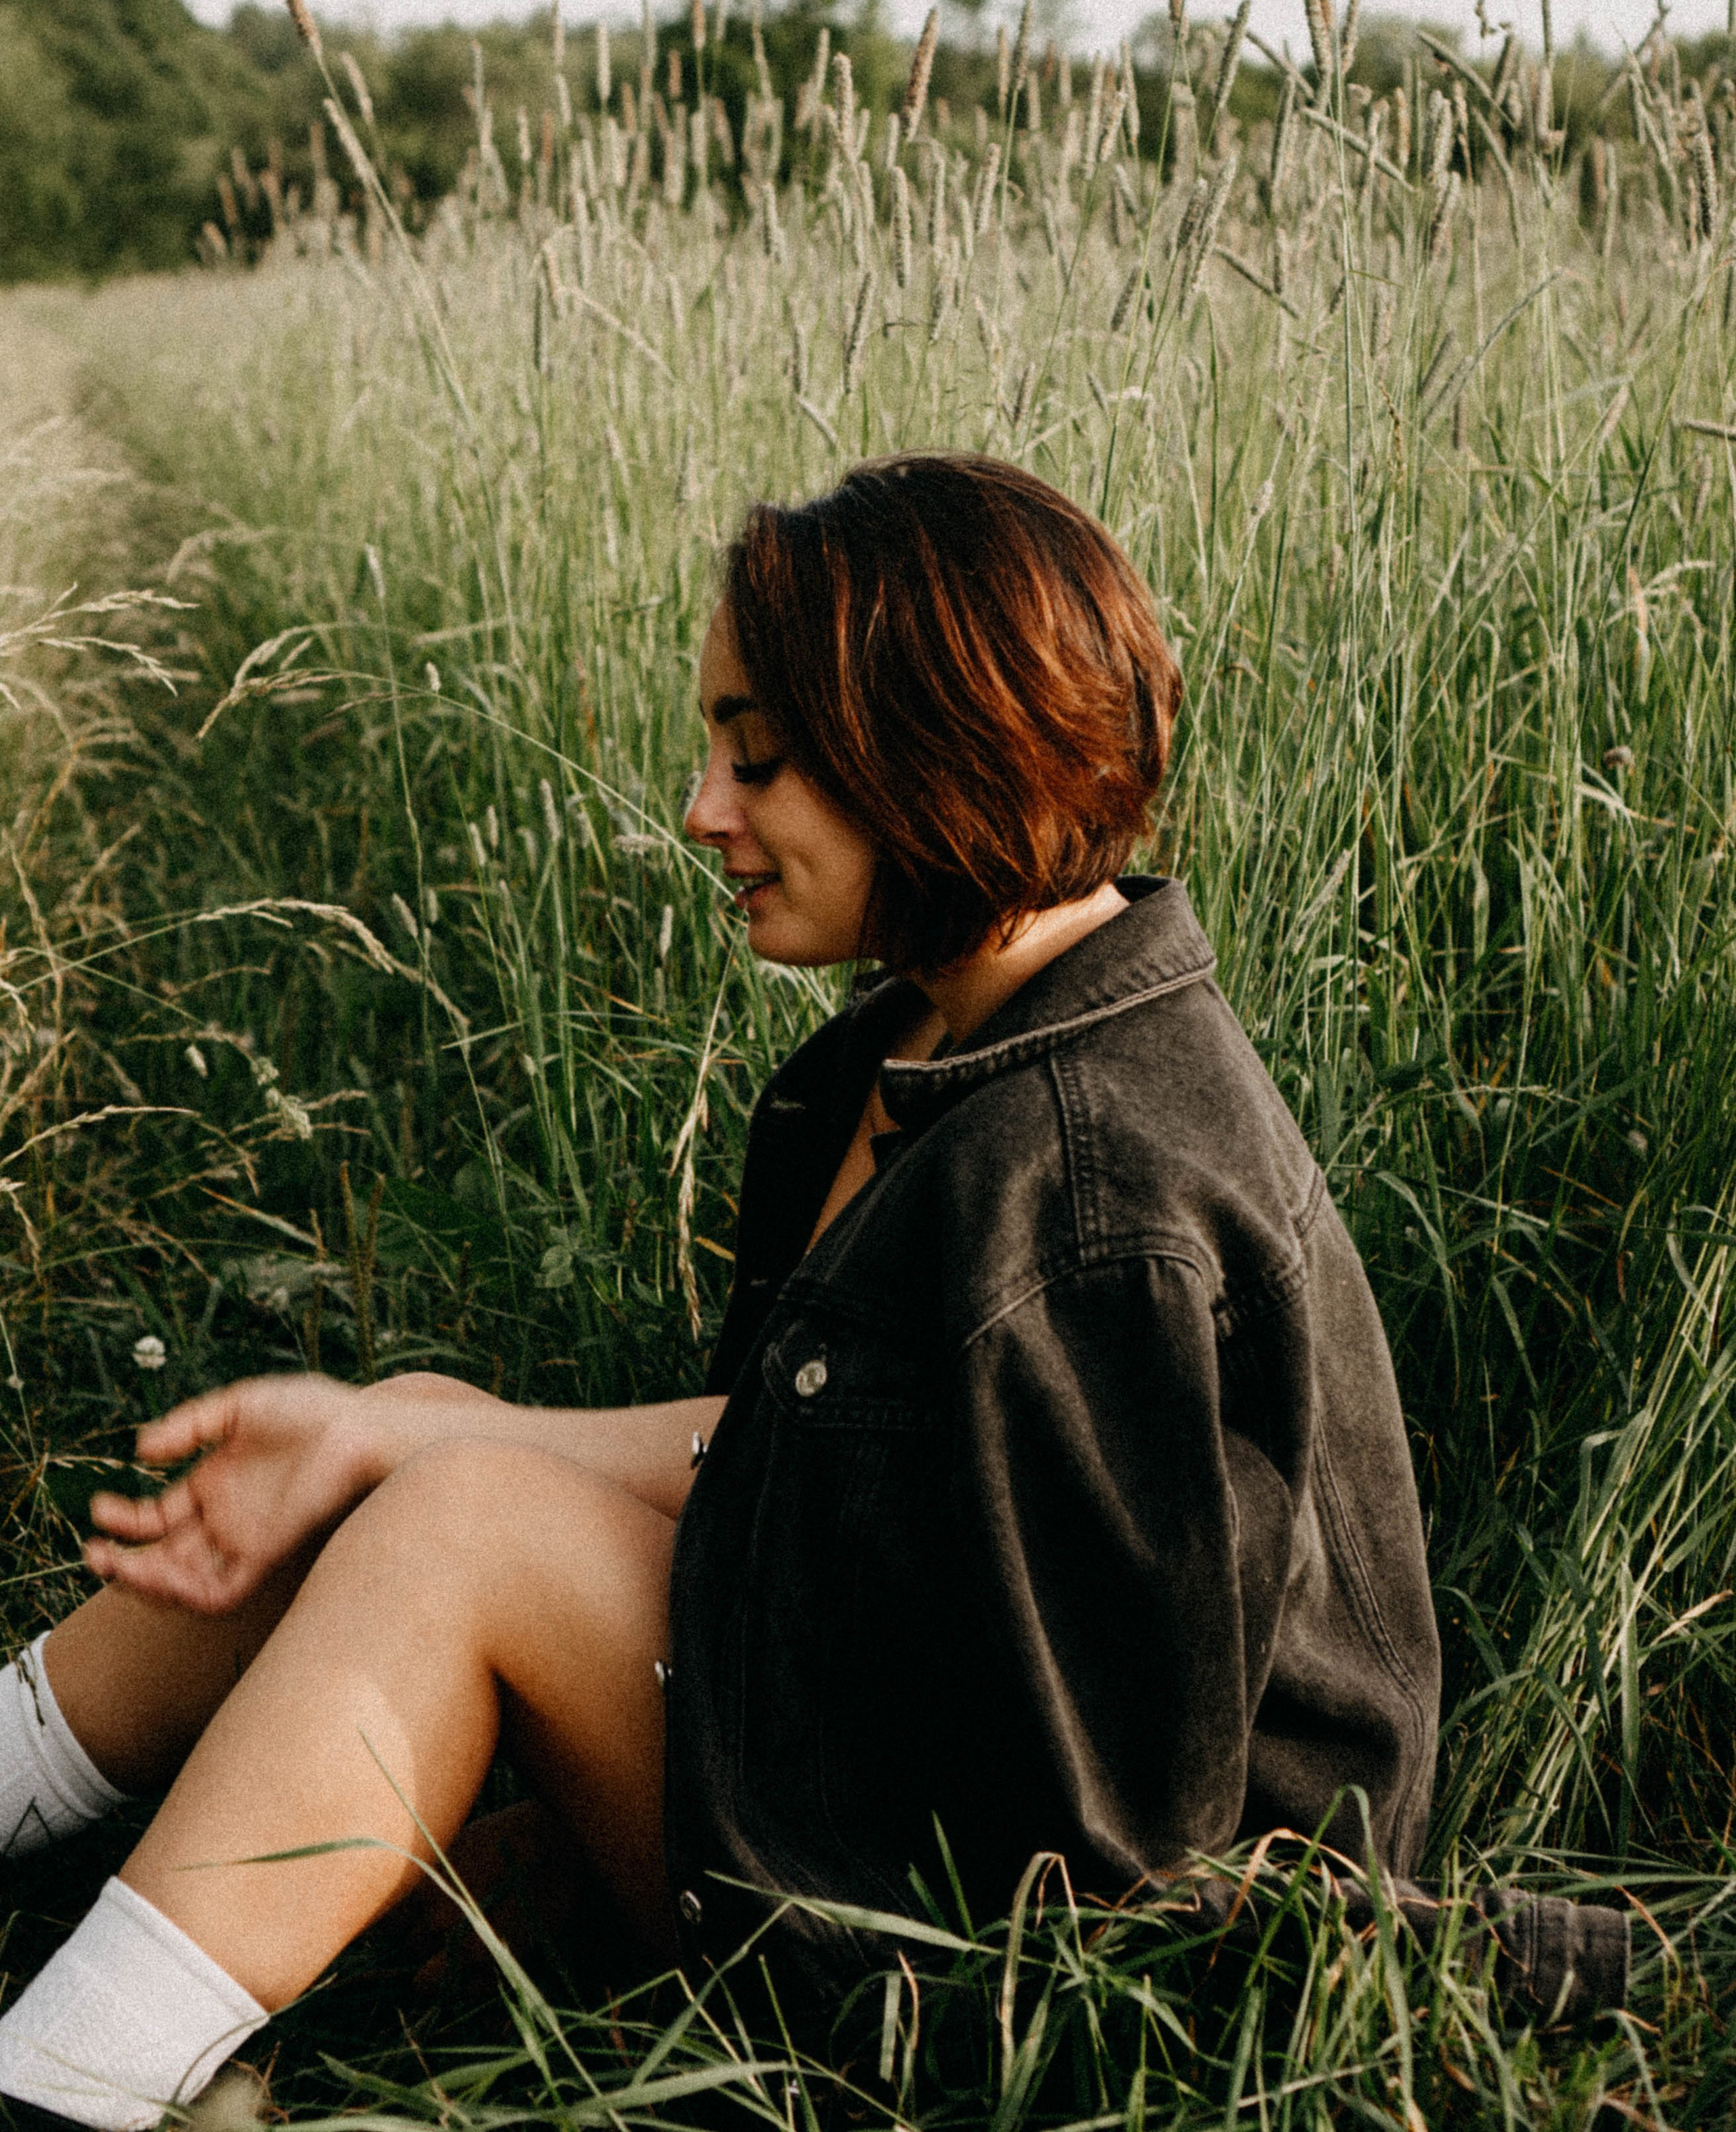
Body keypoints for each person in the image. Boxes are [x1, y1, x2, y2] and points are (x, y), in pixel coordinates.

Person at [0, 454, 1440, 2131]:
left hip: (1014, 1989)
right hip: (901, 1797)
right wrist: (390, 1443)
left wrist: (637, 1815)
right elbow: (816, 1450)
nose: (702, 811)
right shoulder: (936, 1040)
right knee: (411, 1437)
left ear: (934, 748)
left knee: (465, 1525)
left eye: (757, 758)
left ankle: (61, 2087)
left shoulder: (1088, 1201)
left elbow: (1106, 1859)